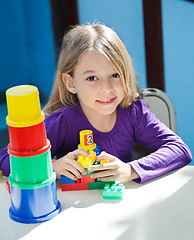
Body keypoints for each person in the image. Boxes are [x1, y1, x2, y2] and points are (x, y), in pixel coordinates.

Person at [0, 23, 192, 183]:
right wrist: (51, 167)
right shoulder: (62, 122)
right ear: (71, 83)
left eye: (115, 75)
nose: (106, 88)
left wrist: (130, 170)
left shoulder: (133, 112)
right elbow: (4, 160)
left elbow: (180, 150)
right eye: (92, 78)